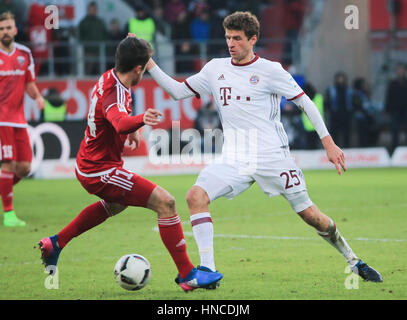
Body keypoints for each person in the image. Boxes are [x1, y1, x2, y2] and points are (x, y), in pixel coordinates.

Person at [142, 11, 383, 286]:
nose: (230, 43)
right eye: (228, 38)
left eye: (237, 38)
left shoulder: (271, 71)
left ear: (253, 39)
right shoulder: (215, 69)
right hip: (234, 158)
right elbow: (176, 90)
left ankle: (353, 260)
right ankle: (208, 271)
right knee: (196, 195)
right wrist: (149, 62)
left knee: (311, 216)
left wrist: (328, 142)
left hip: (272, 157)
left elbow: (306, 103)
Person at [37, 36, 222, 292]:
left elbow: (115, 120)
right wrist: (139, 121)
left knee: (116, 204)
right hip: (101, 170)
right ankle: (187, 275)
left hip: (90, 163)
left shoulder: (112, 77)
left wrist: (129, 131)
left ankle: (56, 243)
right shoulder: (115, 91)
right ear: (139, 68)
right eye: (144, 68)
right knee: (166, 202)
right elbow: (119, 120)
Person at [0, 11, 45, 227]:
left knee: (25, 167)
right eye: (1, 29)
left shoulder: (25, 54)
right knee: (8, 164)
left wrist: (37, 98)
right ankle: (9, 214)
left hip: (18, 119)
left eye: (8, 27)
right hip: (1, 120)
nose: (5, 32)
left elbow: (29, 83)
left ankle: (3, 187)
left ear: (15, 30)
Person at [78, 1, 108, 76]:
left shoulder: (100, 22)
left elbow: (105, 35)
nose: (93, 11)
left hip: (100, 51)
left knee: (101, 71)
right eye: (91, 9)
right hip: (88, 52)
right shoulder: (83, 22)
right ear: (88, 10)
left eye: (94, 9)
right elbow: (80, 37)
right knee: (88, 71)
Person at [324, 71, 353, 148]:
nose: (340, 80)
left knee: (346, 133)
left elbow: (352, 102)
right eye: (339, 79)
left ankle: (347, 148)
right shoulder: (331, 90)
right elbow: (327, 101)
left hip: (346, 115)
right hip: (335, 115)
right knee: (335, 134)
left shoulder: (349, 90)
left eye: (342, 78)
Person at [384, 63, 407, 152]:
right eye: (398, 70)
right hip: (395, 111)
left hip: (405, 110)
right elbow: (389, 97)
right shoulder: (392, 84)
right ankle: (394, 149)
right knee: (394, 130)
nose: (400, 72)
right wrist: (387, 110)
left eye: (401, 70)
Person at [352, 78, 374, 147]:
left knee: (368, 134)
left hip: (367, 117)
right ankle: (362, 147)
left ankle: (367, 145)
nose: (365, 86)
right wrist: (367, 114)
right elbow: (358, 106)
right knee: (362, 134)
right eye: (363, 84)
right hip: (361, 118)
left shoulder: (366, 94)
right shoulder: (357, 95)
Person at [301, 82, 324, 149]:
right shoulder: (319, 97)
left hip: (307, 126)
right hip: (319, 126)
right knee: (317, 146)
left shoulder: (303, 99)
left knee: (309, 146)